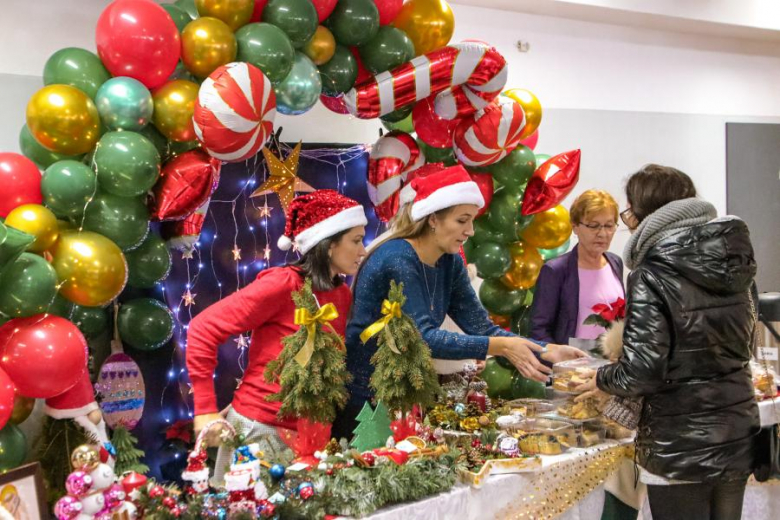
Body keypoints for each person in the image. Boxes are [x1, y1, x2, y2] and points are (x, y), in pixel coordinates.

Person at [333, 165, 585, 438]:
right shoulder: (399, 257)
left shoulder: (448, 260)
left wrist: (547, 351)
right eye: (462, 220)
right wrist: (501, 347)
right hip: (366, 399)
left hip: (407, 395)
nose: (471, 231)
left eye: (472, 220)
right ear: (433, 219)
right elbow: (421, 338)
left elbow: (483, 328)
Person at [576, 165, 759, 520]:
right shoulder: (735, 260)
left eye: (628, 211)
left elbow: (643, 371)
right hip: (737, 429)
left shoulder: (651, 272)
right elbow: (741, 344)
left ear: (645, 213)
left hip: (679, 444)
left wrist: (600, 378)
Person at [186, 190, 367, 484]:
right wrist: (205, 410)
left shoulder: (342, 294)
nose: (363, 250)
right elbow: (203, 328)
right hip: (262, 429)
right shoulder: (282, 285)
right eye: (356, 240)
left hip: (312, 437)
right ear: (329, 244)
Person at [530, 190, 624, 346]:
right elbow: (539, 330)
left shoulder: (615, 262)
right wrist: (562, 360)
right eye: (593, 226)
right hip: (572, 365)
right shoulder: (555, 270)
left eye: (609, 225)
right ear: (575, 226)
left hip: (612, 364)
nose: (603, 234)